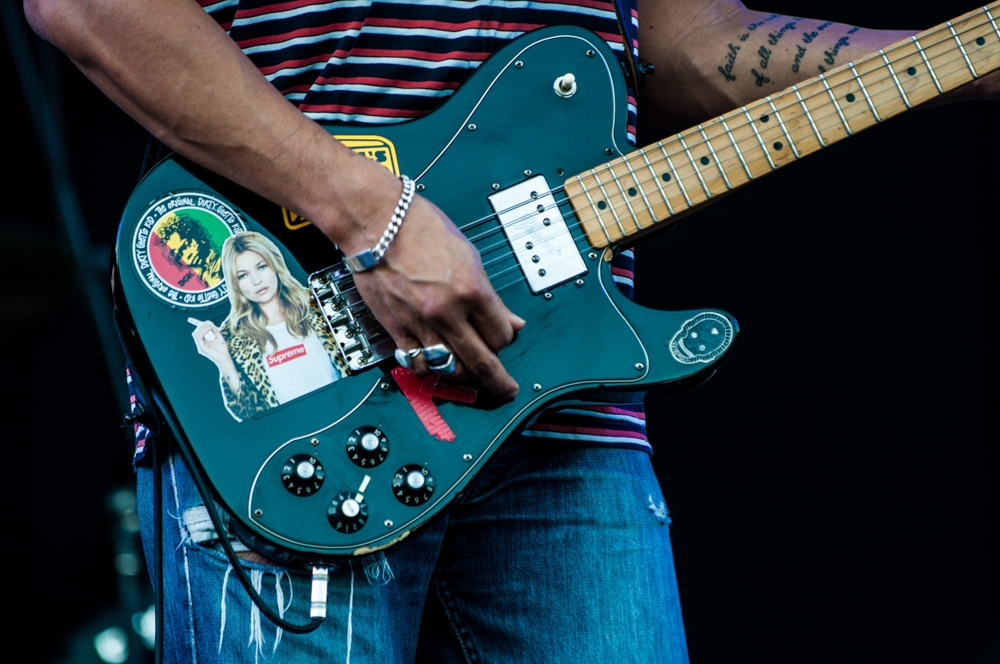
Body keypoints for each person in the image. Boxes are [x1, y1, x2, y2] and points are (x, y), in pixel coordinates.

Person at [24, 0, 998, 662]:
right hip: (308, 371)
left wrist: (973, 52)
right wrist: (375, 220)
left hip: (564, 406)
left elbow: (682, 41)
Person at [191, 231, 347, 421]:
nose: (256, 281)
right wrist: (224, 360)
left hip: (349, 412)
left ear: (275, 265)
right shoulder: (231, 337)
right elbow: (247, 412)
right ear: (235, 284)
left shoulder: (318, 304)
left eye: (261, 267)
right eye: (243, 275)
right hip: (295, 433)